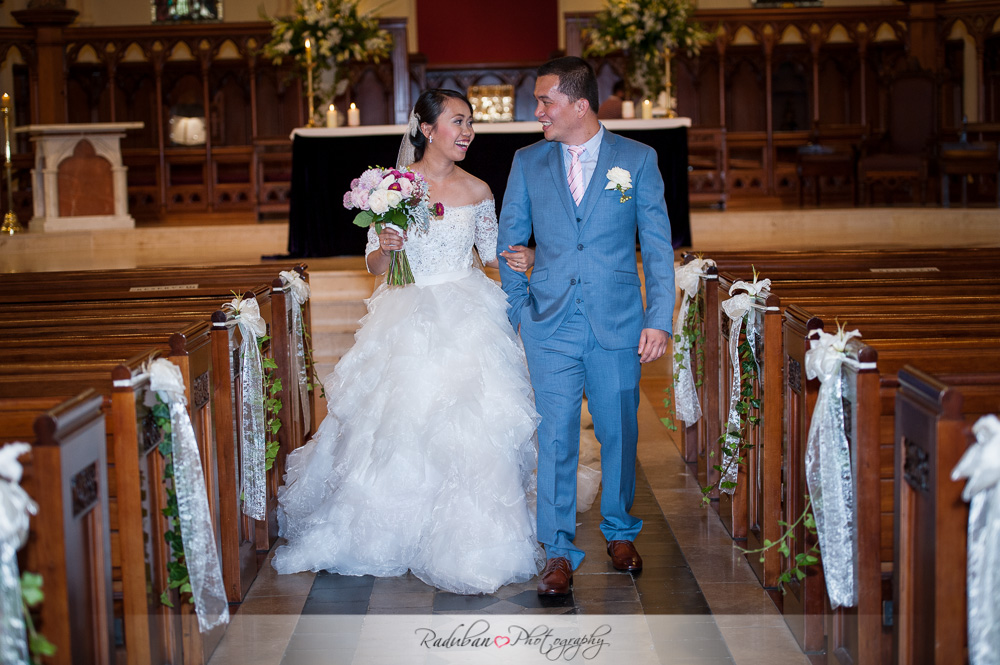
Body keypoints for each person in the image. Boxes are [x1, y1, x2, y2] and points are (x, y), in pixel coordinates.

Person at [272, 89, 543, 595]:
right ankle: (388, 525)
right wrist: (387, 247)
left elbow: (491, 254)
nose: (468, 132)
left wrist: (525, 256)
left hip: (466, 313)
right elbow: (374, 262)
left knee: (469, 422)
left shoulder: (480, 189)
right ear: (426, 127)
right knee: (397, 419)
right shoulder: (394, 188)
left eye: (470, 123)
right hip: (407, 310)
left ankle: (472, 535)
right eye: (458, 121)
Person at [497, 57, 676, 596]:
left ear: (579, 105)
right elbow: (510, 246)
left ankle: (620, 531)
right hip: (549, 324)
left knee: (620, 432)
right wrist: (517, 312)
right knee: (555, 439)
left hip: (618, 322)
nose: (537, 111)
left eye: (545, 100)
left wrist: (659, 318)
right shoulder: (528, 161)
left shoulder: (637, 160)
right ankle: (557, 551)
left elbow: (659, 247)